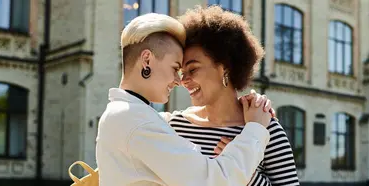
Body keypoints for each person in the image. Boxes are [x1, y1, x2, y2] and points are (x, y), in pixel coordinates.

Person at [95, 13, 275, 186]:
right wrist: (256, 129)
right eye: (175, 68)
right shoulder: (138, 122)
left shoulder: (134, 116)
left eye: (191, 70)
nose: (178, 81)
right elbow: (215, 180)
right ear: (147, 60)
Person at [161, 6, 300, 186]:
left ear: (224, 67)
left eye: (193, 69)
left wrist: (241, 168)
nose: (183, 80)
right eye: (182, 72)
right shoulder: (176, 126)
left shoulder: (265, 128)